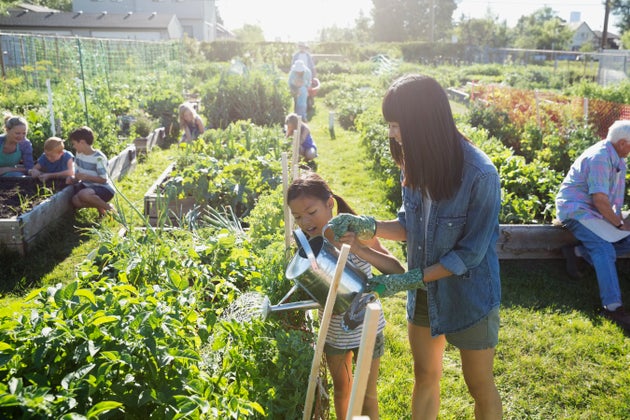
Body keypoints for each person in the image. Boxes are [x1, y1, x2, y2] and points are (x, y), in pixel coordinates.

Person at [328, 74, 503, 419]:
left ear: (423, 123)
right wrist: (368, 226)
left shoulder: (480, 174)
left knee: (478, 384)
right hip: (423, 291)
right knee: (425, 375)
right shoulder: (414, 163)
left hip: (469, 294)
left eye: (396, 124)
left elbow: (470, 254)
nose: (392, 133)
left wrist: (408, 279)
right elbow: (410, 226)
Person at [287, 171, 405, 420]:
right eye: (298, 216)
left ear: (329, 203)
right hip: (333, 331)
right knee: (342, 390)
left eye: (311, 212)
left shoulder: (354, 230)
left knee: (366, 395)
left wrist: (360, 250)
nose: (305, 221)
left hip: (367, 326)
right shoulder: (306, 248)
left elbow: (396, 269)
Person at [556, 119, 630, 332]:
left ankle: (577, 253)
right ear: (623, 143)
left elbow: (608, 201)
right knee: (603, 249)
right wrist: (618, 224)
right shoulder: (600, 157)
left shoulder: (616, 156)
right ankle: (613, 307)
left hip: (595, 213)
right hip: (577, 211)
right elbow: (599, 199)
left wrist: (620, 222)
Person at [66, 126, 116, 217]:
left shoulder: (99, 158)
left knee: (83, 194)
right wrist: (73, 178)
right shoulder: (79, 154)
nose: (73, 146)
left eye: (74, 143)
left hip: (104, 189)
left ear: (82, 142)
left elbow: (103, 179)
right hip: (88, 187)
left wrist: (87, 177)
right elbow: (77, 173)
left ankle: (109, 208)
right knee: (75, 200)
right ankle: (101, 208)